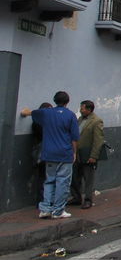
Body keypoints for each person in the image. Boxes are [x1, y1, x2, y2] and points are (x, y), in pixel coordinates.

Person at [20, 91, 79, 219]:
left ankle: (45, 209)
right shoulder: (70, 115)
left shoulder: (46, 113)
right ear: (67, 102)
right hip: (65, 153)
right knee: (63, 182)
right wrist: (74, 152)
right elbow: (74, 137)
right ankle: (58, 210)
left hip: (49, 153)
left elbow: (30, 113)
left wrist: (24, 112)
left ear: (54, 100)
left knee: (49, 181)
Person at [71, 100, 105, 209]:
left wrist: (93, 156)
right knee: (75, 176)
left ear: (89, 109)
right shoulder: (80, 119)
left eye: (82, 108)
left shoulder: (96, 121)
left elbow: (98, 140)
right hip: (77, 153)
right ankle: (76, 197)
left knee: (88, 178)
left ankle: (88, 199)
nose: (80, 110)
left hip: (88, 154)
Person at [31, 102, 52, 204]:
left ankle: (42, 199)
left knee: (42, 176)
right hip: (46, 152)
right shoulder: (43, 124)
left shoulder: (36, 122)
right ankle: (45, 200)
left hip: (41, 152)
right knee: (46, 177)